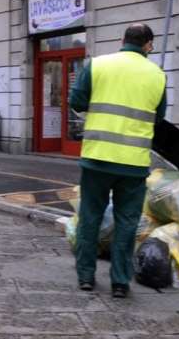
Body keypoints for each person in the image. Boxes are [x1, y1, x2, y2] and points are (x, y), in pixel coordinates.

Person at [69, 23, 166, 298]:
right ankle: (120, 282)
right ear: (148, 45)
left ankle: (86, 277)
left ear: (122, 40)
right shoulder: (157, 75)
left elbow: (76, 101)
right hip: (133, 163)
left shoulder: (97, 65)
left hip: (97, 157)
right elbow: (158, 117)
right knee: (126, 223)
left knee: (90, 218)